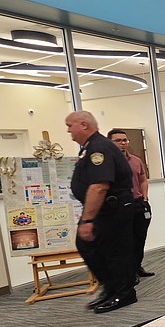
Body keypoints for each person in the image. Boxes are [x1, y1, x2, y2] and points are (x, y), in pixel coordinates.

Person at [65, 111, 136, 313]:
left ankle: (123, 293)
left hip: (112, 209)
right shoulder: (91, 147)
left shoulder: (99, 148)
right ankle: (111, 289)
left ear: (84, 125)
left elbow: (99, 186)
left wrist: (87, 220)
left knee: (114, 252)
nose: (68, 130)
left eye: (70, 125)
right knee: (95, 248)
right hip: (106, 210)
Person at [107, 129, 154, 282]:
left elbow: (143, 179)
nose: (122, 143)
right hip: (119, 207)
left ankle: (137, 266)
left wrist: (145, 198)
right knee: (125, 241)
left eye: (124, 140)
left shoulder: (136, 160)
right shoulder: (107, 162)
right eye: (118, 140)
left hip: (138, 203)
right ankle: (128, 272)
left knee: (140, 238)